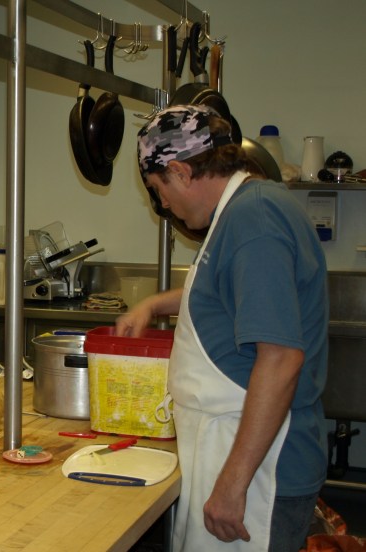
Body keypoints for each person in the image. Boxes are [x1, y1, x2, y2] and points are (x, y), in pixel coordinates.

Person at [116, 105, 329, 552]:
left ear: (180, 171)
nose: (163, 204)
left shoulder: (254, 221)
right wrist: (155, 304)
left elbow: (281, 359)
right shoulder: (245, 210)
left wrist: (233, 483)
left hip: (261, 470)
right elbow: (225, 290)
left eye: (158, 189)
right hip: (238, 449)